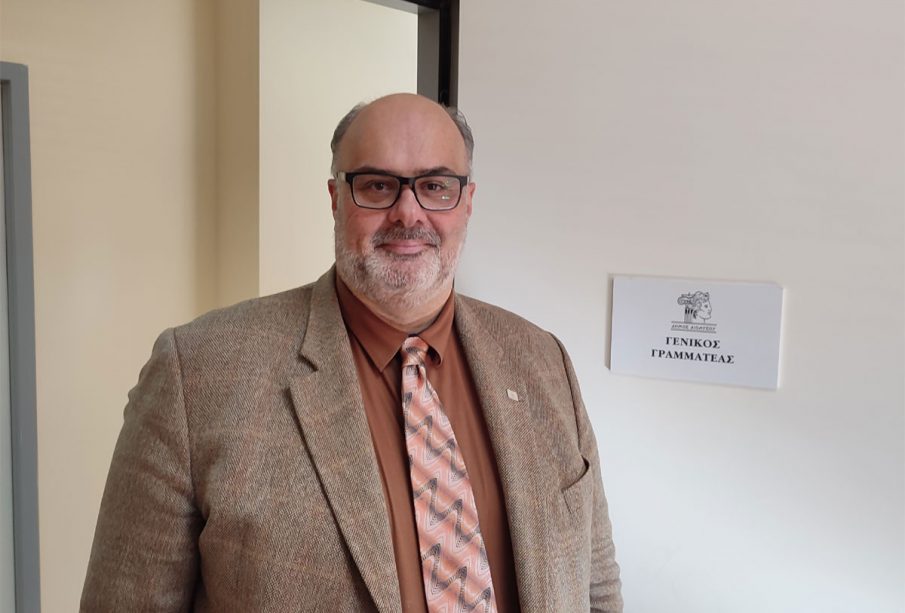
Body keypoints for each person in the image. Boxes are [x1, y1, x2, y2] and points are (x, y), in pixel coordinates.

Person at [81, 93, 622, 612]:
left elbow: (597, 591)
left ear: (467, 203)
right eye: (377, 185)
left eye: (436, 186)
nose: (408, 213)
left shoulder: (542, 360)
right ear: (336, 198)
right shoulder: (196, 373)